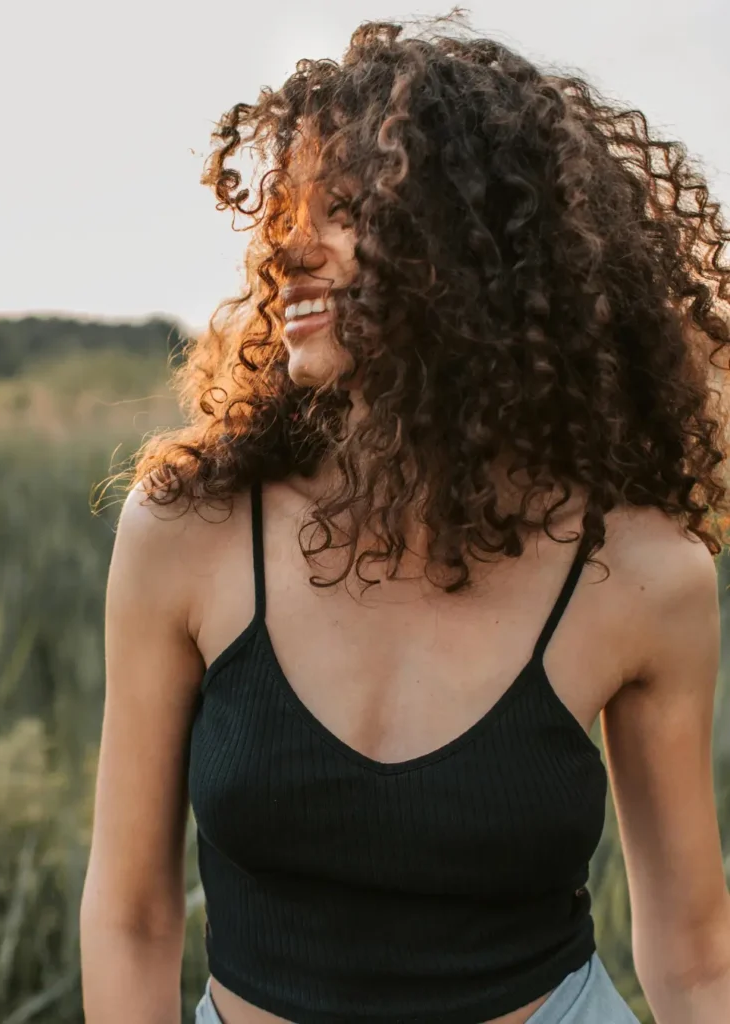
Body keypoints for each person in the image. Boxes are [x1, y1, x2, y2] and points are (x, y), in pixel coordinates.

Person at [79, 12, 730, 1024]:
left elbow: (694, 953)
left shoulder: (645, 574)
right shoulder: (189, 532)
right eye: (287, 209)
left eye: (341, 208)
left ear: (477, 252)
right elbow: (129, 913)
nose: (289, 247)